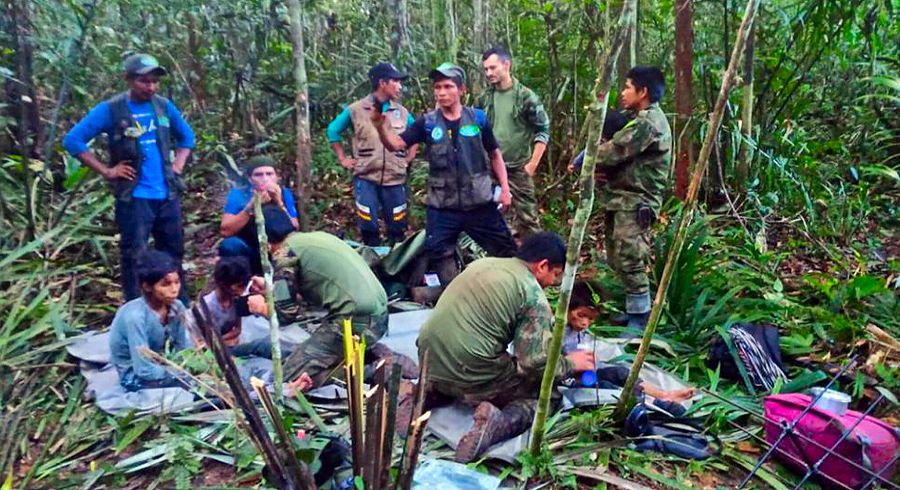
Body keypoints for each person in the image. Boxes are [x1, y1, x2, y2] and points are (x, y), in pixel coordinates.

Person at [416, 232, 596, 462]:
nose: (552, 283)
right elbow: (533, 364)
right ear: (542, 266)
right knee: (545, 397)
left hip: (428, 358)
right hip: (470, 370)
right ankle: (497, 424)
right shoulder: (532, 295)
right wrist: (572, 363)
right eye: (555, 275)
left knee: (475, 360)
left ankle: (426, 393)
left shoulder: (483, 264)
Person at [63, 53, 195, 302]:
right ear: (128, 79)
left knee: (173, 252)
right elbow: (73, 140)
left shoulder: (163, 106)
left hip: (167, 193)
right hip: (134, 197)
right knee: (135, 255)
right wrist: (107, 170)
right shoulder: (111, 110)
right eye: (144, 81)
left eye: (154, 81)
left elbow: (187, 137)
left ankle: (180, 307)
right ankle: (138, 308)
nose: (151, 87)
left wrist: (177, 165)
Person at [372, 63, 518, 285]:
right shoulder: (427, 123)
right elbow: (396, 144)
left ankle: (510, 292)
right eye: (437, 87)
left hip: (479, 202)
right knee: (439, 251)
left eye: (448, 86)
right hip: (443, 206)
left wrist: (505, 189)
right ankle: (456, 294)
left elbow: (495, 154)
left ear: (462, 90)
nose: (441, 92)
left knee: (505, 250)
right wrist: (381, 127)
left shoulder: (478, 119)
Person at [255, 208, 390, 392]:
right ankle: (364, 355)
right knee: (309, 357)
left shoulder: (285, 254)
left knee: (286, 378)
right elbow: (315, 286)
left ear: (265, 243)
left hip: (356, 321)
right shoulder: (317, 237)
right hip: (380, 316)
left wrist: (262, 308)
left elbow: (286, 315)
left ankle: (371, 370)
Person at [594, 66, 672, 334]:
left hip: (637, 201)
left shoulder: (648, 123)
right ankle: (633, 310)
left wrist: (586, 157)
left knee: (630, 256)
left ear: (643, 91)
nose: (623, 93)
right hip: (622, 198)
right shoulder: (637, 118)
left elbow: (613, 151)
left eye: (628, 87)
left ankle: (641, 318)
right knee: (617, 256)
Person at [327, 62, 418, 246]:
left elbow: (415, 134)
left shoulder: (402, 112)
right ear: (382, 83)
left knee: (397, 224)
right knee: (368, 223)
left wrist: (409, 157)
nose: (400, 86)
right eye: (396, 81)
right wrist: (343, 158)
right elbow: (333, 131)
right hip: (366, 176)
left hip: (395, 178)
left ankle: (396, 263)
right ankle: (372, 260)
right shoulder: (356, 109)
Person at [561, 281, 696, 402]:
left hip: (586, 375)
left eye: (591, 319)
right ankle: (651, 403)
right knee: (607, 388)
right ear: (567, 307)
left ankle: (663, 395)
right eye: (581, 315)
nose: (585, 323)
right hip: (566, 381)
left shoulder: (579, 332)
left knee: (621, 374)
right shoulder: (556, 332)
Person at [478, 47, 550, 239]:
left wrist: (532, 165)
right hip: (491, 169)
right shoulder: (485, 98)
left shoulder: (526, 97)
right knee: (491, 218)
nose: (489, 73)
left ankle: (537, 262)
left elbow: (543, 129)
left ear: (506, 64)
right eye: (485, 69)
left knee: (528, 220)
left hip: (518, 168)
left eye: (493, 68)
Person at [108, 250, 190, 391]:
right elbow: (143, 370)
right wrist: (180, 373)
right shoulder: (136, 317)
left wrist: (188, 364)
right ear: (147, 287)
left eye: (177, 282)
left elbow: (183, 348)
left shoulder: (177, 307)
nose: (174, 289)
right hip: (135, 374)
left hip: (166, 364)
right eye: (166, 284)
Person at [219, 155, 299, 275]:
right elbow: (225, 230)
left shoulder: (284, 193)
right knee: (230, 245)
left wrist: (279, 203)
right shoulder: (239, 195)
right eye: (258, 175)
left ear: (276, 177)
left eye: (269, 174)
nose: (265, 179)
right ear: (250, 179)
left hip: (278, 249)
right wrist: (250, 208)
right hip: (250, 248)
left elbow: (295, 227)